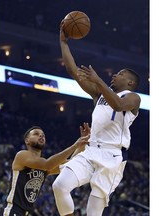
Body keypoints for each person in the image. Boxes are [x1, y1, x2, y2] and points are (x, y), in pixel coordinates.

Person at [52, 21, 141, 216]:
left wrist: (98, 80)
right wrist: (64, 43)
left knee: (93, 212)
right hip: (91, 150)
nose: (114, 75)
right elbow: (73, 71)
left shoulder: (133, 98)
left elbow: (118, 106)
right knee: (59, 186)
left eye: (119, 74)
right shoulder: (100, 94)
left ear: (129, 82)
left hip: (112, 157)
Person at [2, 123, 90, 216]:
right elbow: (47, 164)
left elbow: (70, 163)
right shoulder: (22, 155)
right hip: (13, 211)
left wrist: (82, 144)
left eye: (43, 135)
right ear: (27, 141)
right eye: (36, 134)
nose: (40, 135)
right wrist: (74, 146)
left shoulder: (43, 167)